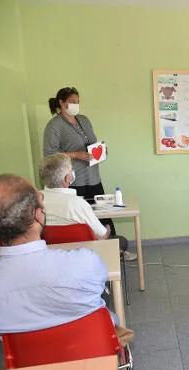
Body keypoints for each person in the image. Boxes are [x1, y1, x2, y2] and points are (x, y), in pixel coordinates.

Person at [0, 174, 124, 335]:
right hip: (87, 350)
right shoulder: (85, 262)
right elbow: (98, 291)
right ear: (38, 214)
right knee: (113, 317)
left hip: (26, 358)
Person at [43, 87, 136, 261]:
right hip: (72, 180)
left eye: (77, 101)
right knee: (79, 218)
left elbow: (92, 142)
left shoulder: (83, 120)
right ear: (61, 103)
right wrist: (75, 155)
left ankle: (117, 251)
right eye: (71, 102)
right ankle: (86, 255)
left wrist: (100, 150)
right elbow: (49, 155)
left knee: (104, 213)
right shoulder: (54, 126)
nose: (75, 105)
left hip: (92, 176)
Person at [39, 153, 131, 254]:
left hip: (51, 253)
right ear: (67, 178)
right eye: (71, 170)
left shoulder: (35, 200)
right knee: (122, 241)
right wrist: (107, 229)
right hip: (85, 254)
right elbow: (102, 234)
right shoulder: (78, 203)